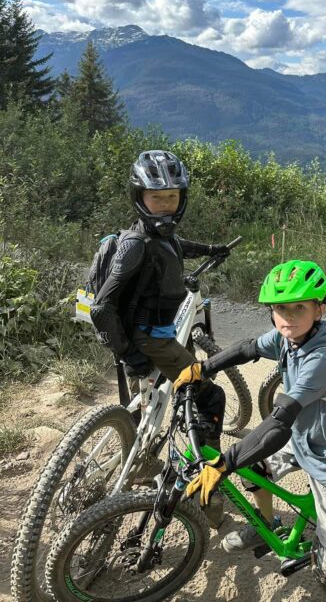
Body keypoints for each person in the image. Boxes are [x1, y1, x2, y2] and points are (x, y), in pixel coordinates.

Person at [174, 259, 326, 602]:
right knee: (254, 468)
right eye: (281, 308)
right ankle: (266, 526)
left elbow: (279, 422)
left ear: (318, 309)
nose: (290, 316)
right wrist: (202, 368)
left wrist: (224, 463)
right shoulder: (288, 339)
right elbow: (247, 348)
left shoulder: (321, 358)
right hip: (305, 440)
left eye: (300, 307)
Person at [90, 149, 229, 518]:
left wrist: (210, 250)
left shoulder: (154, 233)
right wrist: (130, 355)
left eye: (173, 197)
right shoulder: (135, 245)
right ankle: (209, 484)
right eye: (157, 197)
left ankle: (142, 453)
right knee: (211, 396)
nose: (165, 206)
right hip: (150, 338)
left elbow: (175, 246)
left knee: (149, 399)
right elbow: (101, 308)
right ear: (139, 197)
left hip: (147, 334)